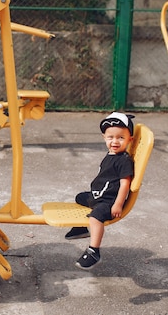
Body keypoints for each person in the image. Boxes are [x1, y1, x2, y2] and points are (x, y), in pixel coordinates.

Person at [66, 112, 135, 270]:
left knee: (96, 216)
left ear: (130, 139)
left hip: (109, 201)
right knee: (79, 198)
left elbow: (125, 184)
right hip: (98, 196)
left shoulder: (123, 160)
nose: (115, 142)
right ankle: (81, 229)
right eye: (110, 137)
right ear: (104, 137)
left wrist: (117, 204)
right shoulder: (111, 154)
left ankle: (93, 251)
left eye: (121, 138)